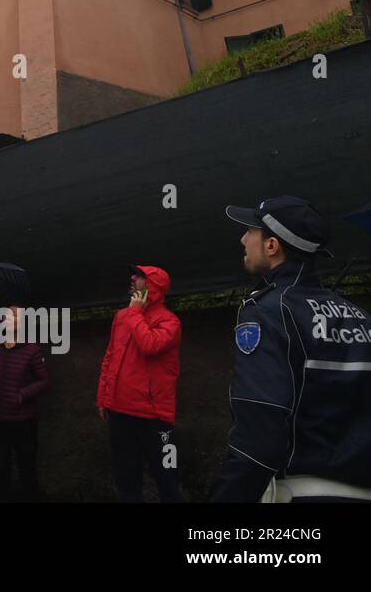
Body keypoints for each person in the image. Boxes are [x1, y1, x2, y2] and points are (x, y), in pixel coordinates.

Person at [213, 196, 371, 502]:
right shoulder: (361, 317)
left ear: (272, 246)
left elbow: (258, 438)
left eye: (251, 231)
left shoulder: (268, 312)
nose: (243, 238)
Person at [96, 265, 181, 502]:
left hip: (155, 417)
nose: (133, 278)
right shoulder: (121, 317)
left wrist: (135, 313)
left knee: (167, 476)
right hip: (120, 412)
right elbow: (110, 358)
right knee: (126, 477)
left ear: (154, 286)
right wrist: (103, 398)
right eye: (134, 275)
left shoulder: (170, 322)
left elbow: (150, 345)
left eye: (140, 276)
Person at [0, 302, 49, 501]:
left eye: (13, 316)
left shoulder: (31, 350)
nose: (7, 318)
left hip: (23, 421)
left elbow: (44, 380)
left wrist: (22, 394)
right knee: (0, 466)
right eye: (5, 315)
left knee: (26, 467)